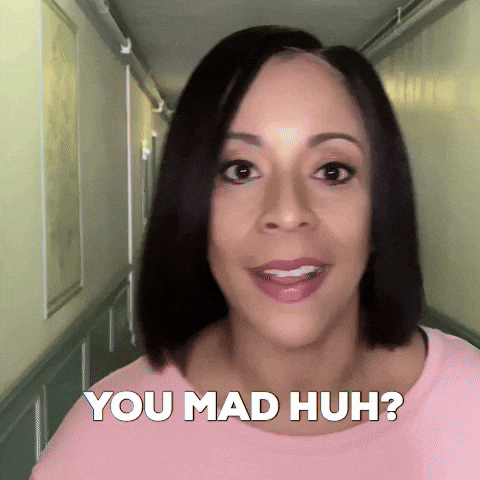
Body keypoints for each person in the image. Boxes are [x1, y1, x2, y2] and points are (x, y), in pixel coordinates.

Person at [30, 25, 480, 479]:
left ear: (382, 205)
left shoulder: (471, 397)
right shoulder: (102, 441)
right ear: (193, 208)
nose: (287, 213)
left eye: (332, 171)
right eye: (240, 170)